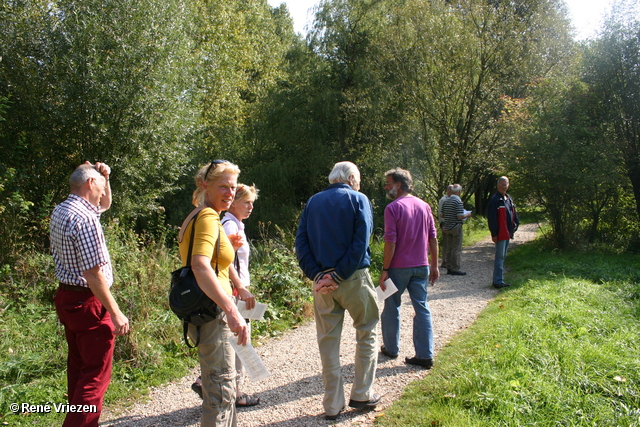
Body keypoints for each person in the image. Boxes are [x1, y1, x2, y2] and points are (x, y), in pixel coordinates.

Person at [295, 161, 380, 421]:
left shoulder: (313, 202)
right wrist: (339, 274)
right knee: (366, 331)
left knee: (328, 342)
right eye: (359, 179)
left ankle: (332, 404)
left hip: (321, 283)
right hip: (353, 278)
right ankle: (362, 394)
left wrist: (319, 275)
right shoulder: (358, 199)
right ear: (352, 178)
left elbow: (301, 241)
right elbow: (361, 240)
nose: (359, 183)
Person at [50, 162, 130, 427]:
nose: (103, 189)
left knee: (79, 368)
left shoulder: (63, 209)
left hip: (67, 298)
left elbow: (103, 205)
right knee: (95, 375)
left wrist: (106, 176)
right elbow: (94, 275)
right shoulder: (85, 220)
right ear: (90, 184)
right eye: (101, 183)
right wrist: (116, 313)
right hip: (89, 303)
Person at [178, 160, 249, 427]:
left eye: (233, 188)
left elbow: (207, 260)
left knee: (218, 386)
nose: (230, 193)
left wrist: (238, 285)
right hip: (214, 311)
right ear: (204, 185)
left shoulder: (198, 215)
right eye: (223, 187)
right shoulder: (208, 217)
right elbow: (199, 264)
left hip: (204, 310)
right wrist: (231, 311)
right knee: (221, 392)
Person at [379, 168, 440, 369]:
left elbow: (391, 242)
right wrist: (435, 265)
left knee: (390, 306)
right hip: (421, 266)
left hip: (397, 267)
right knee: (421, 307)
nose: (386, 187)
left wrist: (385, 269)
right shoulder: (424, 205)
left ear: (398, 184)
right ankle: (425, 355)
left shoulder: (393, 208)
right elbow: (433, 237)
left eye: (388, 183)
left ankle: (391, 348)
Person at [222, 184, 260, 407]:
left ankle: (233, 388)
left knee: (238, 338)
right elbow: (225, 261)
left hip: (239, 288)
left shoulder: (236, 224)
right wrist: (240, 288)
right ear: (233, 202)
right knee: (240, 338)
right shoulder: (229, 225)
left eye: (252, 202)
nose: (251, 206)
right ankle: (235, 393)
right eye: (246, 202)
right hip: (234, 291)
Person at [487, 176, 519, 289]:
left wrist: (516, 224)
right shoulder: (495, 200)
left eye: (506, 184)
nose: (504, 186)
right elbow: (491, 218)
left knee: (503, 256)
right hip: (500, 233)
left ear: (508, 185)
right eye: (502, 184)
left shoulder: (508, 198)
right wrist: (494, 233)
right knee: (499, 257)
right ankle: (497, 281)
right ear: (498, 185)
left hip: (507, 232)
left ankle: (500, 279)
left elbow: (513, 212)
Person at [441, 184, 472, 276]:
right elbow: (459, 216)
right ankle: (455, 268)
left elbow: (442, 215)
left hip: (448, 226)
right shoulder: (458, 201)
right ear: (459, 192)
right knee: (456, 248)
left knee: (449, 248)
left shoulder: (446, 201)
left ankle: (448, 267)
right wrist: (468, 214)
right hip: (456, 226)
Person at [438, 185, 453, 272]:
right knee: (446, 243)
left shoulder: (453, 199)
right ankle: (444, 261)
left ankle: (448, 260)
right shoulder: (443, 200)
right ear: (447, 190)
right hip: (445, 224)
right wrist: (442, 224)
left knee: (450, 243)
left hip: (451, 224)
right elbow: (440, 212)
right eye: (450, 189)